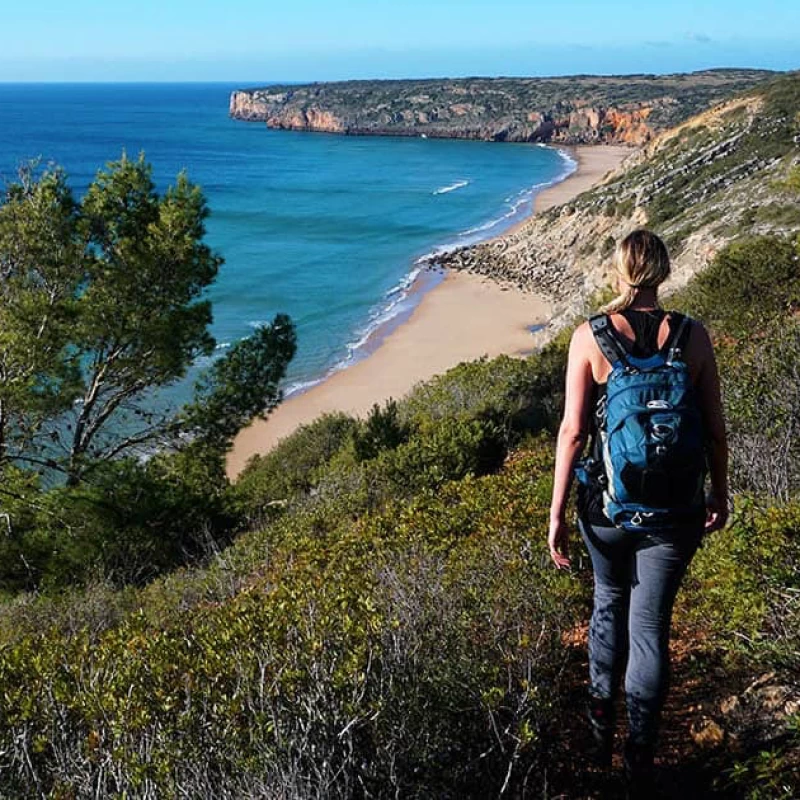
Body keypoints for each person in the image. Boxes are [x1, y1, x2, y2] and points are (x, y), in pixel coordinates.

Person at [547, 229, 728, 792]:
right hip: (675, 511)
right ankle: (640, 756)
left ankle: (600, 731)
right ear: (664, 271)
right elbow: (715, 429)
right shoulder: (693, 336)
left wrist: (556, 514)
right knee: (650, 627)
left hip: (605, 510)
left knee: (608, 601)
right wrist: (719, 493)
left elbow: (573, 432)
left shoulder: (591, 336)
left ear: (620, 271)